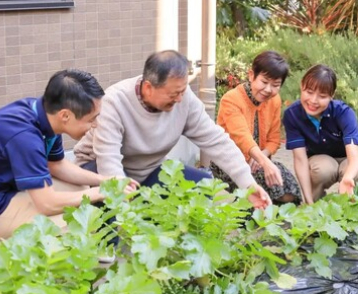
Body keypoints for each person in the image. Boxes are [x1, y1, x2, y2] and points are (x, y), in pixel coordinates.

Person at [74, 50, 272, 209]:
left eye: (183, 91)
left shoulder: (184, 100)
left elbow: (217, 141)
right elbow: (109, 160)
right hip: (97, 169)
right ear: (148, 87)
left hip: (148, 170)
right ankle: (106, 250)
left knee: (202, 185)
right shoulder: (115, 101)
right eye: (173, 93)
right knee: (110, 192)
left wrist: (248, 184)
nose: (179, 99)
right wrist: (123, 198)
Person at [0, 69, 137, 239]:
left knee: (79, 189)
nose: (96, 125)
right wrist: (100, 192)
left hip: (0, 191)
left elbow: (56, 165)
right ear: (65, 115)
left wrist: (106, 180)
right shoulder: (24, 136)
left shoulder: (43, 114)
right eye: (91, 119)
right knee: (70, 223)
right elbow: (47, 203)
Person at [210, 51, 302, 205]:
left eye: (275, 85)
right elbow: (241, 136)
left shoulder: (274, 101)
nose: (268, 89)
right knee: (265, 190)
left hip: (259, 162)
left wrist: (262, 158)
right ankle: (246, 206)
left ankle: (252, 204)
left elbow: (274, 140)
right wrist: (264, 162)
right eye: (264, 82)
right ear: (251, 75)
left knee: (290, 194)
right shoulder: (231, 99)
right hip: (229, 163)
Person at [283, 64, 358, 204]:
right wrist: (308, 201)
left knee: (354, 171)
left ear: (332, 95)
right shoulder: (292, 115)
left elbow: (354, 157)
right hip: (320, 160)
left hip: (347, 157)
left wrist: (348, 177)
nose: (313, 101)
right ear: (301, 86)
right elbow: (300, 159)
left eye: (322, 96)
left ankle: (351, 207)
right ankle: (315, 204)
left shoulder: (343, 112)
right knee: (322, 169)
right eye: (309, 92)